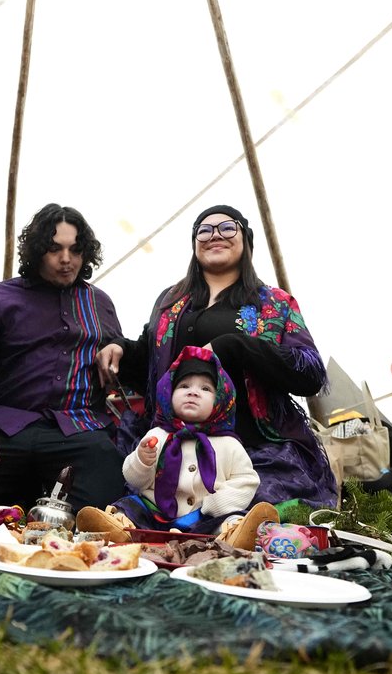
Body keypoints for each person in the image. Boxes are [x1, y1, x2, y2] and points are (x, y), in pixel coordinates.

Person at [98, 205, 337, 509]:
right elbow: (152, 364)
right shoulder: (171, 300)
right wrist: (121, 349)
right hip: (173, 446)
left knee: (248, 516)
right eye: (204, 230)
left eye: (227, 228)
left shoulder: (273, 303)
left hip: (250, 451)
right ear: (194, 243)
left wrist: (234, 347)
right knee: (133, 512)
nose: (215, 236)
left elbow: (310, 373)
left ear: (246, 239)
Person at [0, 203, 127, 510]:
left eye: (75, 250)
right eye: (54, 249)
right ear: (36, 251)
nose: (66, 259)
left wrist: (120, 348)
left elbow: (123, 364)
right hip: (5, 430)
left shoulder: (99, 303)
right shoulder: (1, 298)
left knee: (106, 512)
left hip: (79, 431)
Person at [80, 346, 277, 550]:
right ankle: (119, 529)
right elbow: (135, 480)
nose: (193, 392)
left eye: (205, 389)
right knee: (129, 506)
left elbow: (247, 480)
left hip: (206, 519)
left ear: (220, 400)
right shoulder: (157, 435)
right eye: (184, 386)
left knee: (231, 519)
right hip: (156, 514)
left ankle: (236, 535)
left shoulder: (229, 444)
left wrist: (215, 504)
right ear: (168, 394)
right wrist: (142, 461)